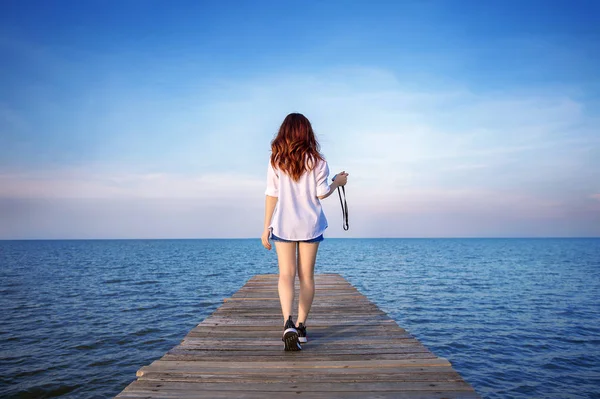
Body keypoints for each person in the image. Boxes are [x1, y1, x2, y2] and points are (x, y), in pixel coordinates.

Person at [261, 113, 348, 351]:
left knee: (286, 275)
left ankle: (287, 323)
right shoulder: (318, 161)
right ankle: (300, 327)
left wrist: (265, 227)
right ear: (307, 132)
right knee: (306, 277)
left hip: (283, 225)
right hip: (310, 225)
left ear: (284, 132)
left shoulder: (276, 160)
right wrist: (337, 182)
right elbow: (321, 193)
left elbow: (272, 194)